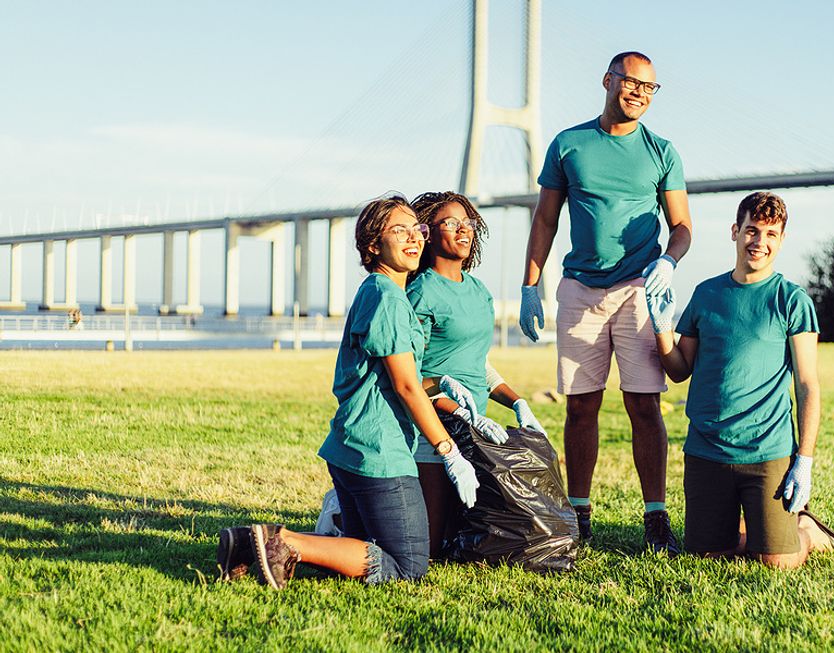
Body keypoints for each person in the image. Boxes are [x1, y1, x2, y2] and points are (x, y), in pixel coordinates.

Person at [216, 194, 480, 588]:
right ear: (374, 246)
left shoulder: (378, 291)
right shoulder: (388, 298)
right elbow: (406, 386)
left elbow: (395, 374)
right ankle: (282, 542)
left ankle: (245, 543)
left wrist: (441, 383)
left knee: (366, 545)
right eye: (398, 230)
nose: (413, 238)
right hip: (379, 452)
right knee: (409, 567)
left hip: (352, 446)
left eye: (417, 229)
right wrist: (448, 451)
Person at [519, 51, 692, 552]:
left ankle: (655, 517)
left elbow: (681, 227)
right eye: (629, 81)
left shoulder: (662, 152)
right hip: (580, 291)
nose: (638, 92)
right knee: (580, 407)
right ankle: (578, 513)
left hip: (639, 288)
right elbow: (546, 220)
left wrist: (669, 262)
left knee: (644, 404)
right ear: (607, 80)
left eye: (649, 87)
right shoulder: (568, 144)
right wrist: (530, 285)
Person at [647, 191, 834, 568]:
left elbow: (807, 384)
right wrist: (661, 327)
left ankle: (804, 529)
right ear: (735, 232)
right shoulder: (706, 294)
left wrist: (803, 461)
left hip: (767, 452)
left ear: (781, 240)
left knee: (777, 562)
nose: (760, 242)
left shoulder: (792, 300)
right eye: (752, 231)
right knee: (707, 556)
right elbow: (678, 370)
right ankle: (752, 522)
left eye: (771, 234)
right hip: (707, 452)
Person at [407, 190, 547, 557]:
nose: (463, 230)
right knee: (432, 547)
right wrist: (457, 410)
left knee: (472, 535)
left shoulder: (480, 292)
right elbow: (408, 375)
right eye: (450, 223)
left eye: (467, 222)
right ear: (427, 233)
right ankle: (341, 514)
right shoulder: (421, 292)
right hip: (433, 428)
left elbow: (477, 364)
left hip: (475, 430)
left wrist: (517, 403)